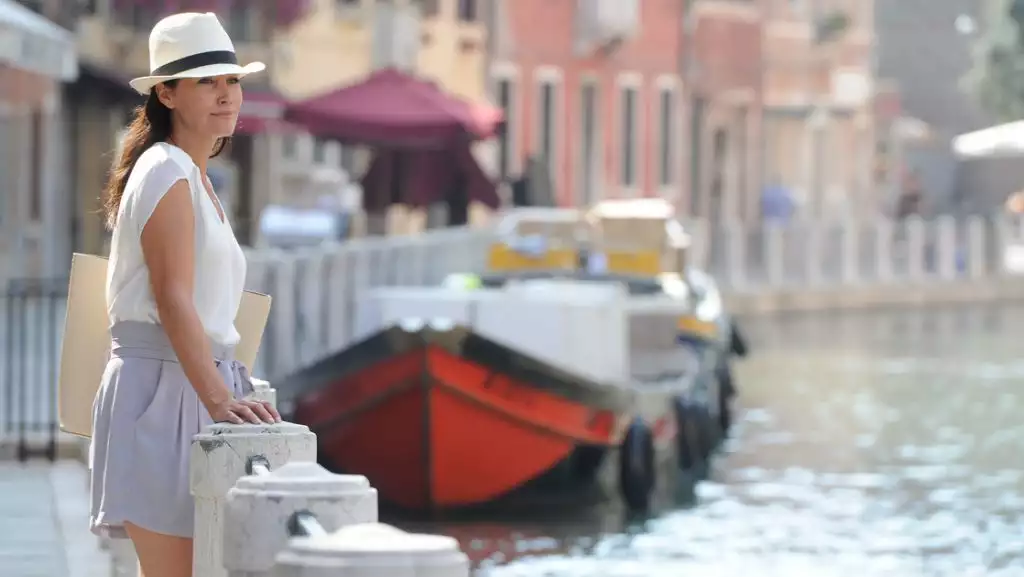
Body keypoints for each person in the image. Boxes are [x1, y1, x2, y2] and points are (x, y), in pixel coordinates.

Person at [89, 12, 281, 577]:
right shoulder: (166, 170)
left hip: (189, 388)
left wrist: (221, 393)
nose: (226, 96)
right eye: (207, 82)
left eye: (232, 81)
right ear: (167, 93)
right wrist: (221, 400)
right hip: (167, 393)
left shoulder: (189, 174)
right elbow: (173, 298)